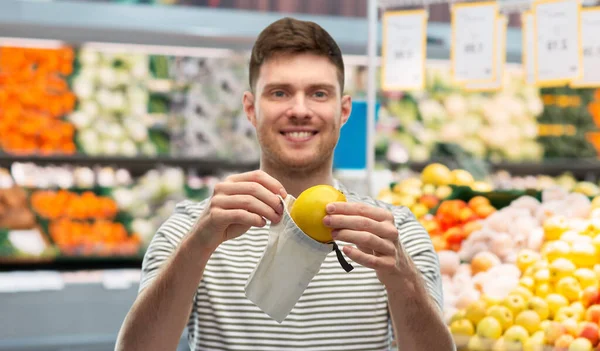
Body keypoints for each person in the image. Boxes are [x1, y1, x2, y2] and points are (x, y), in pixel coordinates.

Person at [116, 17, 454, 351]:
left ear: (344, 110)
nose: (299, 110)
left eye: (318, 94)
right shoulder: (193, 228)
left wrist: (403, 280)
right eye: (280, 93)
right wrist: (197, 246)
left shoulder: (394, 234)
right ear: (251, 108)